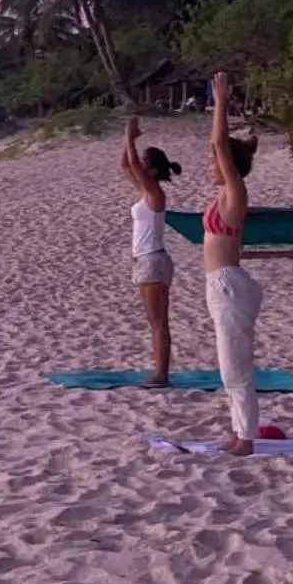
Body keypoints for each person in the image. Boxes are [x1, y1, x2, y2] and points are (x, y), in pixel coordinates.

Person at [204, 69, 262, 454]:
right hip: (221, 284)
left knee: (234, 367)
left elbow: (219, 145)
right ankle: (239, 431)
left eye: (218, 162)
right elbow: (219, 149)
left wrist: (221, 102)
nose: (212, 165)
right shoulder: (225, 194)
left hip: (229, 284)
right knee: (229, 366)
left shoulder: (235, 195)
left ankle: (247, 438)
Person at [121, 115, 182, 385]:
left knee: (159, 321)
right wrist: (129, 142)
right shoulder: (147, 193)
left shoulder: (156, 194)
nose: (141, 168)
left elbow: (132, 163)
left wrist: (130, 136)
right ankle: (160, 372)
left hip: (152, 260)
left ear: (154, 171)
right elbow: (126, 164)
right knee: (154, 320)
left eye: (146, 164)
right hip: (147, 260)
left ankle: (161, 375)